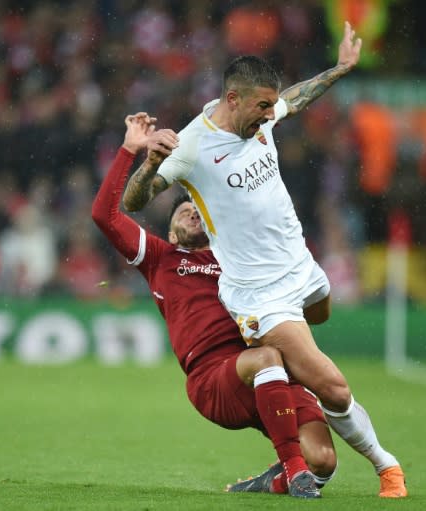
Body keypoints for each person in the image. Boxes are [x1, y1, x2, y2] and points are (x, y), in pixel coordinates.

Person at [122, 22, 407, 498]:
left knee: (322, 313)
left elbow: (295, 97)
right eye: (261, 107)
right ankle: (388, 468)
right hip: (258, 294)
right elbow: (134, 202)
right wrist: (149, 162)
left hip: (300, 265)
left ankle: (297, 370)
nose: (269, 116)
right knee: (334, 388)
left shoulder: (264, 112)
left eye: (270, 107)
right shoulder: (192, 147)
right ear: (232, 99)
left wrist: (339, 69)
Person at [92, 113, 338, 498]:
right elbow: (104, 216)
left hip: (269, 371)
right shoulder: (161, 257)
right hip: (214, 379)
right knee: (268, 357)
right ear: (171, 229)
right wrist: (129, 150)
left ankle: (274, 478)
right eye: (182, 209)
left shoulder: (237, 256)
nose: (192, 208)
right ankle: (294, 469)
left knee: (323, 459)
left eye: (197, 207)